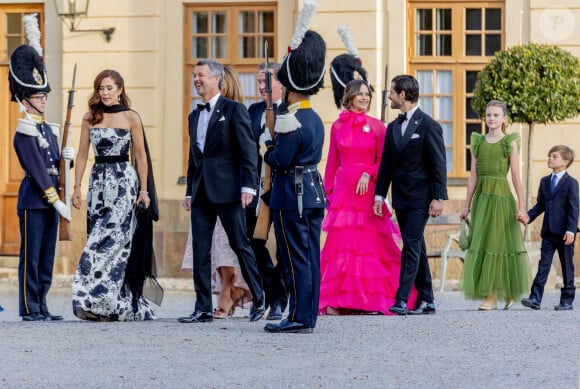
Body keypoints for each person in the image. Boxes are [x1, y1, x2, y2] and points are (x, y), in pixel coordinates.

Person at [178, 59, 265, 324]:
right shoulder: (194, 115)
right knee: (202, 250)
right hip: (202, 191)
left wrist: (249, 186)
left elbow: (249, 151)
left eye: (201, 75)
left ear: (217, 79)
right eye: (194, 75)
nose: (197, 80)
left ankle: (260, 298)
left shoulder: (235, 110)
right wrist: (189, 190)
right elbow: (195, 157)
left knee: (240, 245)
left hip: (229, 191)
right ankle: (202, 307)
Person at [320, 79, 417, 315]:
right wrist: (328, 194)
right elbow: (332, 161)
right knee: (343, 248)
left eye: (367, 94)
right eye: (360, 94)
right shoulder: (336, 126)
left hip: (367, 193)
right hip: (344, 193)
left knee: (368, 248)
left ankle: (368, 301)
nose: (364, 97)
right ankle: (342, 301)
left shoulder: (377, 127)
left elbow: (385, 161)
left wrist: (368, 174)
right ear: (350, 96)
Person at [71, 69, 158, 321]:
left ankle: (103, 300)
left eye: (109, 88)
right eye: (101, 88)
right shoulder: (90, 117)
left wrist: (144, 190)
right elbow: (81, 154)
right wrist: (77, 187)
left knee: (116, 244)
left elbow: (140, 155)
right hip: (98, 184)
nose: (105, 93)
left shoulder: (131, 117)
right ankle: (101, 302)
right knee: (96, 241)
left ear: (120, 89)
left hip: (123, 183)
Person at [261, 19, 328, 333]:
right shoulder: (313, 116)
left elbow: (280, 159)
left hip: (292, 195)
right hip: (313, 192)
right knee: (311, 258)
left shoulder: (290, 119)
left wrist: (267, 146)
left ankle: (299, 317)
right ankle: (308, 314)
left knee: (294, 259)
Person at [9, 37, 74, 321]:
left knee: (47, 256)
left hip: (51, 201)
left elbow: (53, 164)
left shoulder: (48, 129)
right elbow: (36, 169)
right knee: (31, 257)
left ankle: (42, 304)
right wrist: (55, 199)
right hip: (35, 200)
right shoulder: (25, 131)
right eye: (38, 97)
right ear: (25, 101)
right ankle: (28, 307)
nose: (43, 100)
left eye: (44, 96)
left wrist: (66, 160)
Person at [373, 74, 448, 316]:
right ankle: (427, 299)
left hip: (421, 199)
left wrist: (439, 197)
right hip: (401, 198)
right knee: (417, 246)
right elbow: (386, 165)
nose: (389, 97)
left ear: (402, 95)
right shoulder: (393, 127)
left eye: (392, 93)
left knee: (412, 245)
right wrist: (379, 196)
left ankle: (402, 299)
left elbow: (439, 164)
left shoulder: (429, 125)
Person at [459, 100, 531, 310]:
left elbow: (517, 177)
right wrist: (466, 206)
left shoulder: (509, 142)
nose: (491, 118)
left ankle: (495, 295)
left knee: (497, 246)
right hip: (482, 199)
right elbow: (473, 177)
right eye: (489, 115)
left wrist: (522, 206)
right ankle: (493, 294)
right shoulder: (478, 143)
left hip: (501, 199)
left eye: (496, 115)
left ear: (504, 119)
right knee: (482, 246)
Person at [247, 62, 288, 320]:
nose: (261, 88)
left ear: (281, 84)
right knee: (254, 243)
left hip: (282, 188)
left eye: (266, 83)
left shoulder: (290, 111)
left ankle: (281, 301)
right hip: (256, 188)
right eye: (259, 83)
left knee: (283, 248)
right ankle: (272, 292)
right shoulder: (253, 111)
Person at [520, 145, 578, 311]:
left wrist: (571, 230)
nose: (549, 159)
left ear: (565, 162)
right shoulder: (545, 181)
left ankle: (567, 300)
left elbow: (574, 209)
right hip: (548, 232)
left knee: (567, 266)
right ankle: (535, 298)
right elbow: (540, 205)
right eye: (549, 156)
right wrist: (528, 217)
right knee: (543, 264)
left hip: (565, 233)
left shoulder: (571, 183)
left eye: (554, 156)